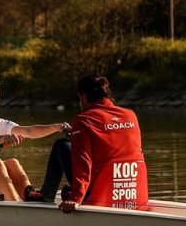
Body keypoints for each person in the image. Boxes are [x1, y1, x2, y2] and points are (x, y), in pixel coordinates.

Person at [29, 75, 148, 213]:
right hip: (133, 193)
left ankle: (46, 195)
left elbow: (83, 164)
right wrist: (76, 136)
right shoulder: (130, 115)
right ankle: (69, 191)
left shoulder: (84, 120)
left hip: (100, 193)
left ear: (84, 97)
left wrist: (76, 198)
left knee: (61, 145)